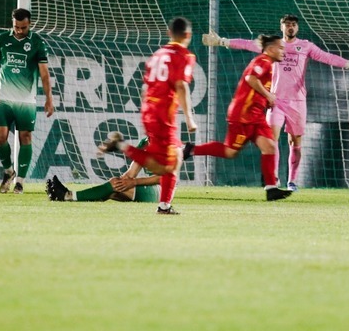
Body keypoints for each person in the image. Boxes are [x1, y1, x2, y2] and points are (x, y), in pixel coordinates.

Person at [203, 14, 349, 191]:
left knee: (296, 143)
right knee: (271, 138)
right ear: (282, 26)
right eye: (287, 24)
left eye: (293, 24)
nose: (290, 27)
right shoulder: (273, 46)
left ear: (297, 28)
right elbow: (247, 44)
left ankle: (292, 181)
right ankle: (273, 179)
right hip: (276, 100)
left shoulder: (306, 46)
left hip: (297, 102)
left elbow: (327, 57)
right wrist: (222, 41)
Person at [98, 17, 198, 214]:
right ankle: (121, 145)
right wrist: (189, 117)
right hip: (163, 114)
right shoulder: (184, 55)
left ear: (169, 34)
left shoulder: (157, 55)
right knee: (169, 166)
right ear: (188, 35)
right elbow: (181, 85)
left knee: (173, 158)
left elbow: (146, 88)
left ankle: (164, 206)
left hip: (148, 111)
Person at [183, 34, 293, 201]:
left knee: (270, 147)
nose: (283, 51)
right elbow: (251, 78)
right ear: (270, 49)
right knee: (230, 152)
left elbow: (257, 85)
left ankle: (271, 188)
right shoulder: (262, 60)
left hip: (256, 116)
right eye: (281, 48)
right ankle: (191, 149)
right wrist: (268, 96)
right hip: (243, 115)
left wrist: (265, 99)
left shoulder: (269, 64)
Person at [0, 8, 55, 194]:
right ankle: (8, 171)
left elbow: (44, 73)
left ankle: (20, 181)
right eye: (16, 27)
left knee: (25, 138)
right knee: (0, 137)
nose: (19, 31)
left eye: (23, 27)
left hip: (26, 100)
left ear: (29, 24)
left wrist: (48, 98)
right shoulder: (2, 39)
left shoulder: (37, 42)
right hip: (3, 98)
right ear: (12, 23)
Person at [47, 137, 161, 203]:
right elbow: (132, 172)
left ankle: (66, 195)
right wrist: (123, 180)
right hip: (151, 188)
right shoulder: (146, 141)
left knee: (113, 185)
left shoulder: (167, 142)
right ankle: (65, 196)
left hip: (161, 192)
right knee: (111, 191)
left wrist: (134, 182)